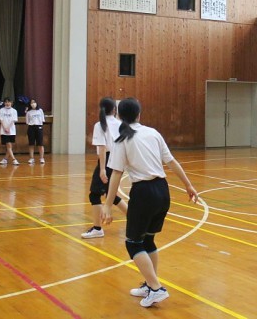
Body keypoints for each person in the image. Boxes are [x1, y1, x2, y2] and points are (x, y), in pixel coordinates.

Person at [101, 98, 198, 308]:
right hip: (163, 191)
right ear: (139, 114)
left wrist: (107, 205)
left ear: (120, 116)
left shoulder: (121, 139)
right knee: (147, 241)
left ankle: (156, 288)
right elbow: (171, 161)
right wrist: (188, 185)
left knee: (133, 243)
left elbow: (116, 174)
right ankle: (149, 284)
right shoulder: (153, 133)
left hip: (144, 193)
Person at [81, 97, 128, 239]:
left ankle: (97, 228)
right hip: (118, 159)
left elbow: (102, 148)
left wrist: (102, 169)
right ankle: (135, 220)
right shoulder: (120, 123)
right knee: (111, 195)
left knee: (94, 195)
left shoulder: (100, 125)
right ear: (114, 109)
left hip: (107, 161)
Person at [0, 98, 19, 165]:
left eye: (9, 102)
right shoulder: (1, 110)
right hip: (4, 131)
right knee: (8, 145)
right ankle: (14, 159)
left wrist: (8, 128)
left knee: (9, 146)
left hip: (11, 131)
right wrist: (5, 128)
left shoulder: (14, 111)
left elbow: (13, 120)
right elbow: (1, 120)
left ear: (11, 103)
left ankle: (5, 159)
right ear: (4, 103)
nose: (7, 103)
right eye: (6, 102)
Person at [25, 99, 45, 164]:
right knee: (31, 144)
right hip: (31, 127)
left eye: (34, 102)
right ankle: (31, 158)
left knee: (40, 144)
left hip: (39, 127)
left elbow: (42, 120)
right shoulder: (28, 112)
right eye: (31, 103)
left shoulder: (40, 110)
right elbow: (27, 121)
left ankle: (41, 158)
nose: (33, 104)